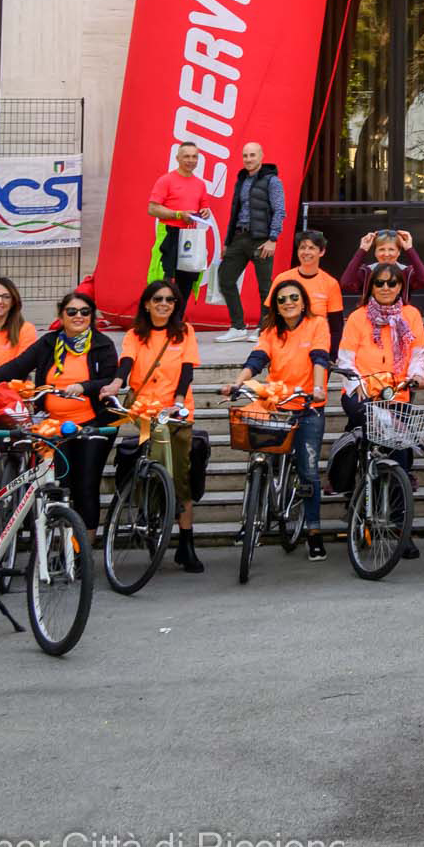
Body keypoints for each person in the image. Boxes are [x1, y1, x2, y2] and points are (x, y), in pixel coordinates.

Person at [0, 289, 122, 538]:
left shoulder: (102, 344)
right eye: (72, 311)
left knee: (86, 485)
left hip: (92, 424)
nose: (78, 316)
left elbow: (109, 378)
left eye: (85, 312)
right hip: (52, 426)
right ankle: (56, 542)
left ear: (92, 317)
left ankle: (84, 549)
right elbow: (16, 366)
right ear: (61, 315)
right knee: (59, 484)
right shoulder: (49, 343)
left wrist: (84, 387)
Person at [236, 278, 334, 560]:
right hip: (275, 405)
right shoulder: (271, 330)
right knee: (257, 458)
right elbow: (257, 359)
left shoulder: (317, 324)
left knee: (308, 470)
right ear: (276, 307)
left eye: (293, 297)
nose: (288, 303)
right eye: (282, 300)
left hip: (306, 406)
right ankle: (249, 520)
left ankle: (313, 532)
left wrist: (317, 389)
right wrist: (237, 381)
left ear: (303, 301)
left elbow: (319, 358)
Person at [337, 262, 424, 562]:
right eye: (379, 283)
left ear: (401, 286)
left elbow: (418, 352)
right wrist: (357, 384)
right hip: (361, 392)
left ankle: (402, 528)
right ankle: (356, 506)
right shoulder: (358, 317)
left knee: (401, 457)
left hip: (396, 391)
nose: (386, 288)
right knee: (363, 441)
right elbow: (346, 359)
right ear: (371, 287)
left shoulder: (410, 314)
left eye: (392, 283)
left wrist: (415, 375)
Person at [114, 280, 204, 572]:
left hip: (175, 413)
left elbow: (188, 370)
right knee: (142, 463)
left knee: (180, 475)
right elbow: (126, 364)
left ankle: (186, 544)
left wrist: (178, 400)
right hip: (144, 412)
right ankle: (144, 510)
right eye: (157, 299)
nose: (163, 304)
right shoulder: (133, 335)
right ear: (147, 303)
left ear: (176, 304)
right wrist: (115, 383)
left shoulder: (185, 332)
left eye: (169, 300)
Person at [216, 141, 284, 343]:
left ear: (261, 156)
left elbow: (280, 210)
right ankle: (238, 326)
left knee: (265, 287)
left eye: (252, 155)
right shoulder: (242, 179)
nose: (248, 159)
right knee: (225, 279)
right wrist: (228, 241)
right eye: (245, 155)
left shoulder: (272, 181)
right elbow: (234, 212)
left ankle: (264, 328)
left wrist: (273, 239)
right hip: (239, 237)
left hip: (261, 239)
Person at [146, 140, 212, 305]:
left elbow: (204, 208)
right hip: (170, 233)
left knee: (188, 279)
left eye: (194, 157)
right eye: (186, 156)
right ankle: (162, 321)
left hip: (190, 237)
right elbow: (152, 209)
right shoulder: (166, 180)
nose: (190, 160)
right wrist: (177, 214)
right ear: (177, 158)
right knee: (165, 281)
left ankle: (178, 320)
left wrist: (205, 212)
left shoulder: (200, 184)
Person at [270, 230, 344, 349]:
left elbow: (336, 328)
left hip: (317, 345)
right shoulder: (282, 279)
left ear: (321, 252)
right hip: (285, 344)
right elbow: (269, 317)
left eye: (311, 248)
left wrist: (332, 356)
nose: (306, 252)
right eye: (302, 248)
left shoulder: (331, 283)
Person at [339, 227, 424, 305]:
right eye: (381, 249)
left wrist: (409, 248)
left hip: (400, 319)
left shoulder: (406, 272)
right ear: (375, 252)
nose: (386, 254)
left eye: (391, 249)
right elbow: (346, 283)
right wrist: (362, 249)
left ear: (398, 252)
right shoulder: (367, 271)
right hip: (370, 318)